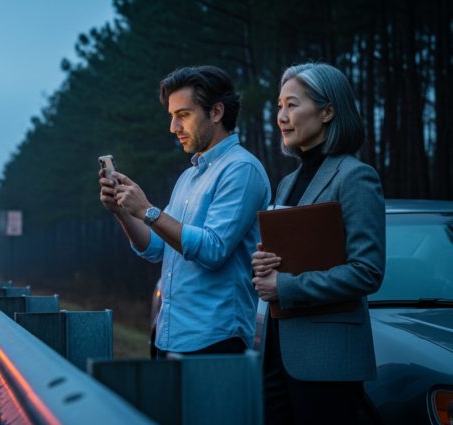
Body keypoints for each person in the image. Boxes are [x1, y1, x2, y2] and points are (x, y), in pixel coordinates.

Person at [99, 66, 270, 357]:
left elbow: (213, 249)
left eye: (184, 115)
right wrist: (123, 211)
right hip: (169, 336)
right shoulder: (188, 177)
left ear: (216, 112)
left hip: (216, 340)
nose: (173, 127)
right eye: (172, 116)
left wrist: (148, 210)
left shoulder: (242, 169)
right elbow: (155, 247)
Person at [251, 63, 385, 425]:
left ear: (327, 111)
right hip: (277, 354)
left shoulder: (356, 177)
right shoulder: (287, 183)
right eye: (279, 106)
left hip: (327, 361)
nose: (282, 116)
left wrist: (285, 285)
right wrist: (265, 265)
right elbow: (290, 257)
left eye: (292, 105)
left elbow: (367, 272)